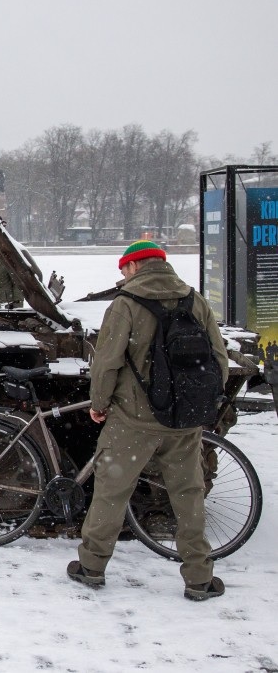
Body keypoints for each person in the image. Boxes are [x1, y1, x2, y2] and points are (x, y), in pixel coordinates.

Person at [68, 240, 229, 601]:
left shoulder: (125, 305)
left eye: (124, 268)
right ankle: (199, 578)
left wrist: (99, 403)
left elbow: (107, 361)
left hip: (133, 420)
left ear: (136, 265)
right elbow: (219, 359)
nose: (122, 275)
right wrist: (199, 404)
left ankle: (92, 566)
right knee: (189, 495)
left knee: (111, 492)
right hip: (183, 422)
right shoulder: (194, 300)